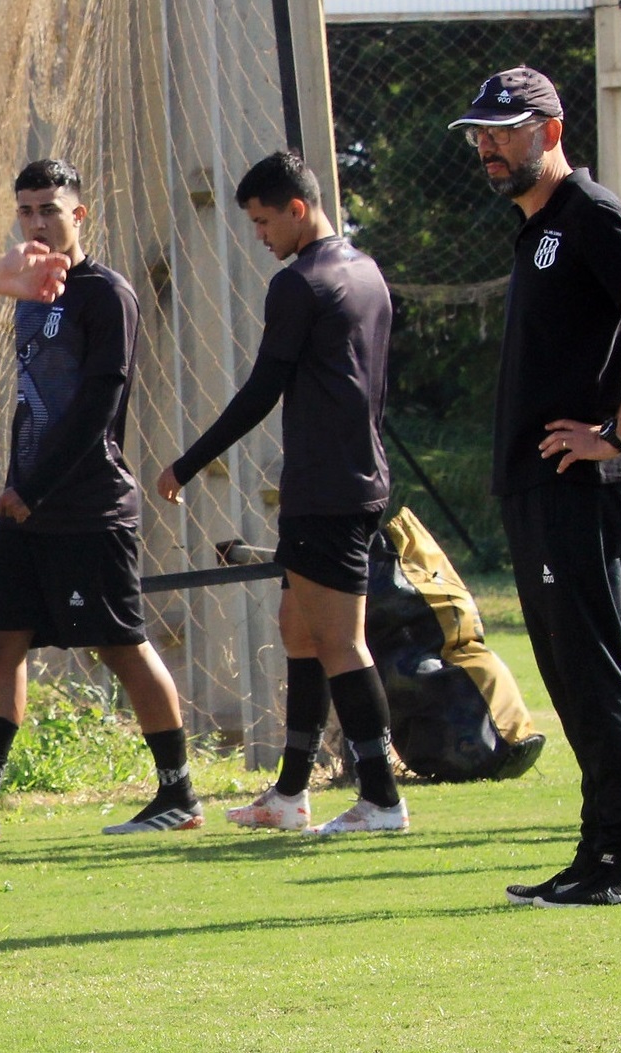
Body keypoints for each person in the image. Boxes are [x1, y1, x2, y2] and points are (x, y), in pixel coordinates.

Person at [450, 67, 621, 908]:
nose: (487, 145)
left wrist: (616, 434)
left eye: (504, 130)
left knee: (593, 669)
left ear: (550, 131)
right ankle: (601, 852)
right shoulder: (538, 225)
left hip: (578, 482)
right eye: (480, 132)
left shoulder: (588, 212)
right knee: (568, 671)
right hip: (537, 484)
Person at [0, 158, 200, 845]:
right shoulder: (29, 293)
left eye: (50, 208)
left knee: (119, 645)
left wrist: (34, 485)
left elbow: (98, 405)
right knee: (0, 642)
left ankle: (179, 792)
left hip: (87, 507)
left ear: (79, 214)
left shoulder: (104, 294)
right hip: (29, 510)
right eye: (26, 210)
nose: (38, 221)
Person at [155, 151, 406, 835]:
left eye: (265, 221)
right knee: (297, 628)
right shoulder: (366, 272)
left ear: (299, 209)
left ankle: (381, 796)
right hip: (349, 478)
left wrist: (186, 462)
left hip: (329, 487)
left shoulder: (301, 283)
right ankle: (291, 793)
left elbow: (262, 389)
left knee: (340, 641)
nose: (260, 235)